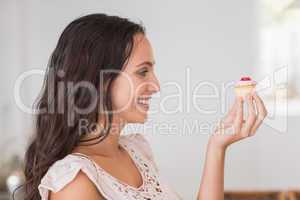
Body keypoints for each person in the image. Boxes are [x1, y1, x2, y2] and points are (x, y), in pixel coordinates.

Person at [23, 13, 267, 200]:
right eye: (143, 72)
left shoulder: (136, 151)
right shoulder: (74, 182)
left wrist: (217, 145)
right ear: (101, 81)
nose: (156, 85)